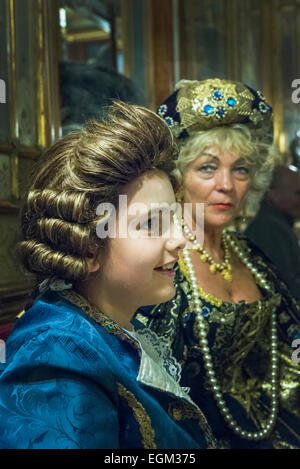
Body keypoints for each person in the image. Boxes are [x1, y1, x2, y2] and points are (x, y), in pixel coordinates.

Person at [0, 101, 215, 449]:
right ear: (87, 246)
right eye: (151, 224)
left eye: (174, 219)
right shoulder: (55, 357)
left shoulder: (118, 325)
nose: (179, 239)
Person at [135, 79, 300, 449]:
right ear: (178, 176)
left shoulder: (252, 257)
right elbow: (147, 390)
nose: (226, 184)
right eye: (207, 168)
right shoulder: (162, 259)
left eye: (240, 170)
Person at [246, 166, 300, 301]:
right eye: (298, 193)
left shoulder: (277, 225)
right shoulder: (269, 230)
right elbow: (286, 289)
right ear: (274, 195)